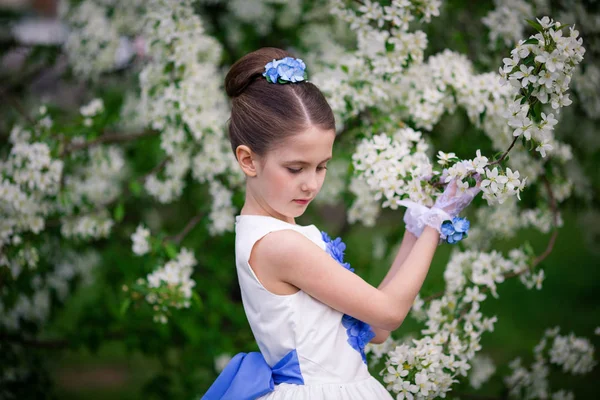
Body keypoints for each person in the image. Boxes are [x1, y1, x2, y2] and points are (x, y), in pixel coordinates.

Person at [202, 47, 481, 400]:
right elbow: (391, 313)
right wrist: (437, 222)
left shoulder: (283, 234)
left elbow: (376, 328)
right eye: (295, 168)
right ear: (248, 160)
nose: (311, 184)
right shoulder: (278, 245)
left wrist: (416, 227)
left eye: (321, 167)